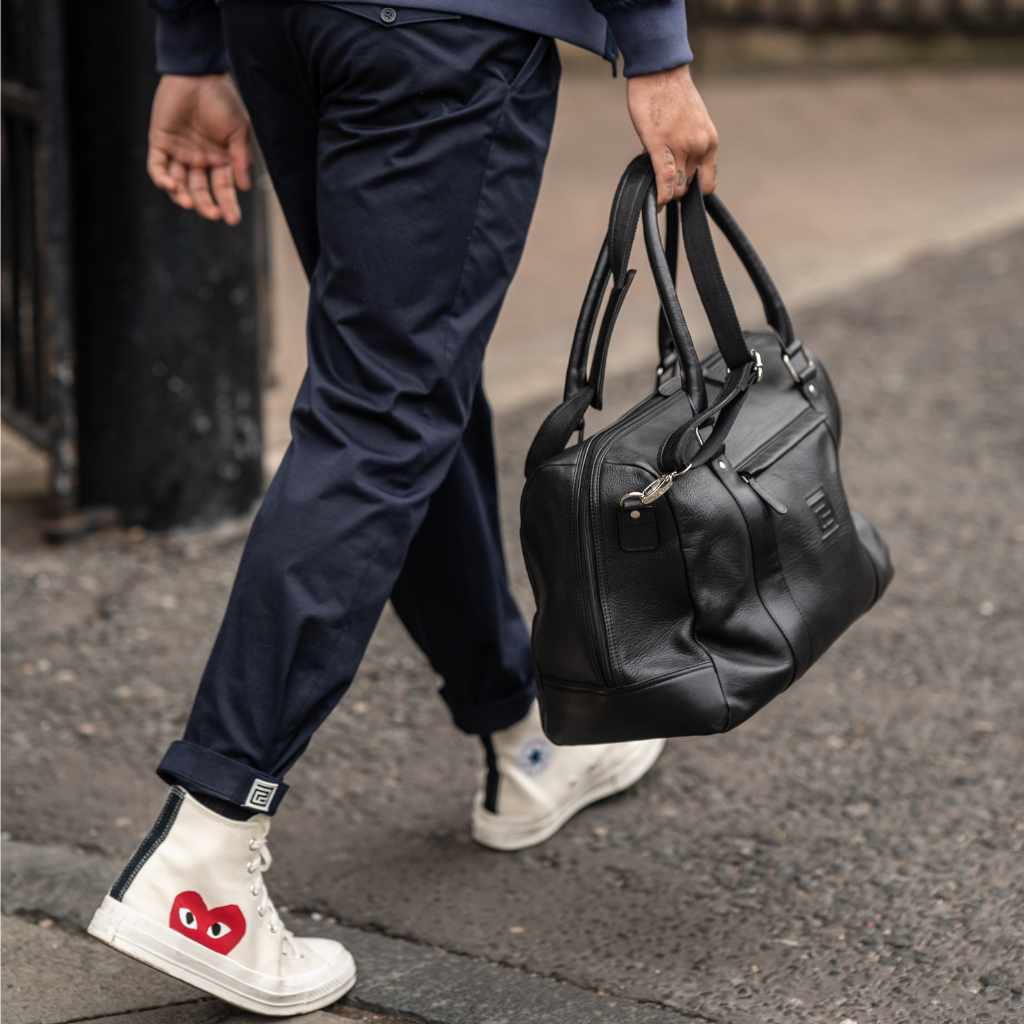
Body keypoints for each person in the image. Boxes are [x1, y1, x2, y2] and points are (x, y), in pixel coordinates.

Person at [88, 0, 720, 1015]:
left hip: (284, 26)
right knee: (384, 407)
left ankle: (520, 730)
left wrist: (193, 40)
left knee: (407, 376)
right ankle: (205, 845)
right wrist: (656, 47)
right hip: (438, 31)